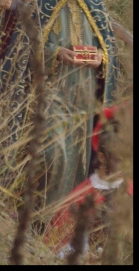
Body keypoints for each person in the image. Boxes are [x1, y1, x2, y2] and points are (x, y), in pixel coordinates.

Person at [0, 0, 119, 209]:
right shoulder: (42, 4)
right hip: (49, 95)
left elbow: (109, 51)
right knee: (49, 153)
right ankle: (28, 209)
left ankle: (57, 217)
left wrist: (101, 58)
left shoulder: (96, 6)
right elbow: (23, 47)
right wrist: (55, 53)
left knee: (75, 157)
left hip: (82, 99)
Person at [43, 106, 132, 260]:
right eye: (119, 159)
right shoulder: (79, 198)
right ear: (103, 158)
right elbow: (51, 247)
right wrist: (82, 257)